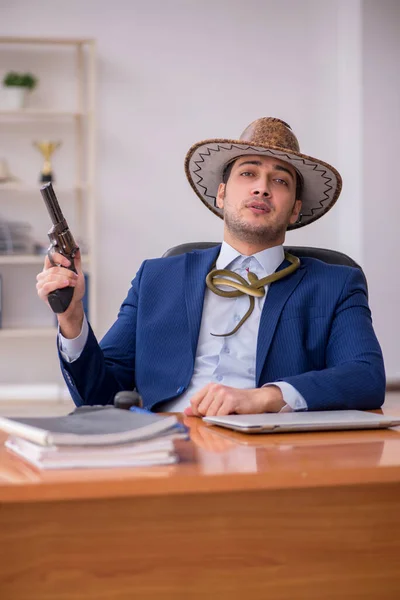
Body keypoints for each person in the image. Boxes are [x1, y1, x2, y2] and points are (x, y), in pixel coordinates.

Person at [36, 117, 385, 416]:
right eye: (248, 174)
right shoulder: (157, 279)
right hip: (166, 448)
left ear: (294, 209)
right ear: (221, 196)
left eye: (279, 181)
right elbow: (99, 397)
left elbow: (365, 376)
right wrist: (71, 316)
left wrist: (266, 397)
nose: (262, 188)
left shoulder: (335, 283)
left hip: (276, 450)